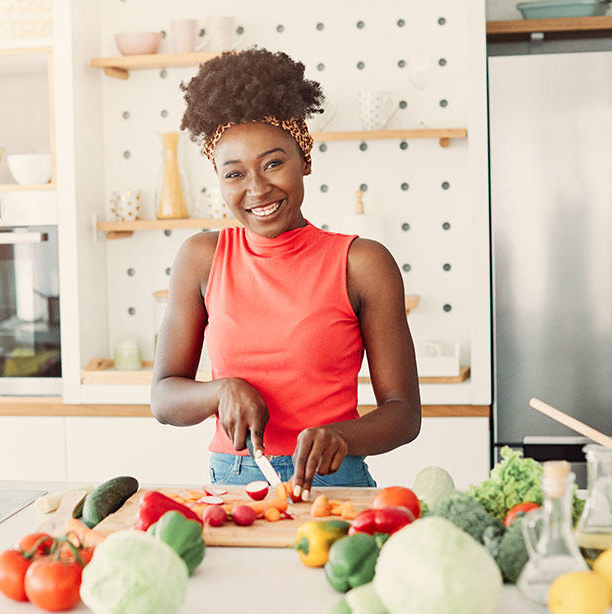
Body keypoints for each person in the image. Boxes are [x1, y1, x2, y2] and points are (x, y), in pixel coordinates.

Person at [150, 47, 421, 499]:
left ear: (305, 160)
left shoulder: (362, 264)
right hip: (231, 488)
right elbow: (164, 398)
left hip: (333, 484)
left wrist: (342, 436)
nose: (257, 189)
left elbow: (404, 413)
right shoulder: (201, 258)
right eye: (234, 174)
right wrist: (221, 391)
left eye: (273, 163)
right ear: (219, 180)